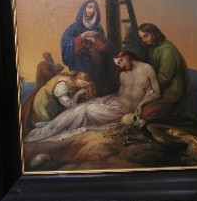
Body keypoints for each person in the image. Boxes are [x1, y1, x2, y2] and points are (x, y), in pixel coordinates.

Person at [24, 50, 160, 142]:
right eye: (117, 64)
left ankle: (50, 130)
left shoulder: (147, 68)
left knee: (85, 110)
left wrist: (141, 104)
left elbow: (157, 92)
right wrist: (105, 102)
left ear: (127, 57)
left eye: (120, 62)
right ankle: (51, 126)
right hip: (114, 102)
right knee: (85, 105)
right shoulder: (123, 74)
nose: (120, 66)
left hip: (124, 109)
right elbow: (120, 94)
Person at [136, 23, 189, 123]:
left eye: (146, 36)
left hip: (171, 92)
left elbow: (165, 77)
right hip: (158, 89)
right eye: (141, 37)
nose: (143, 40)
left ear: (154, 33)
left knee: (146, 113)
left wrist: (149, 91)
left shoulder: (167, 49)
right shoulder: (151, 48)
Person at [60, 0, 114, 95]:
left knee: (98, 90)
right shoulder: (74, 27)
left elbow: (106, 46)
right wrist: (82, 36)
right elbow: (65, 42)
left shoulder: (98, 27)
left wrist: (94, 40)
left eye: (94, 8)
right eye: (89, 7)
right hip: (80, 63)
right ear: (84, 9)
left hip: (97, 64)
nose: (92, 10)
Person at [21, 69, 93, 137]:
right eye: (83, 83)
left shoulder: (71, 80)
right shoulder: (62, 85)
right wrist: (78, 94)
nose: (82, 86)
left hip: (48, 99)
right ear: (78, 78)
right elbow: (70, 105)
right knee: (50, 127)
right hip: (45, 103)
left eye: (85, 86)